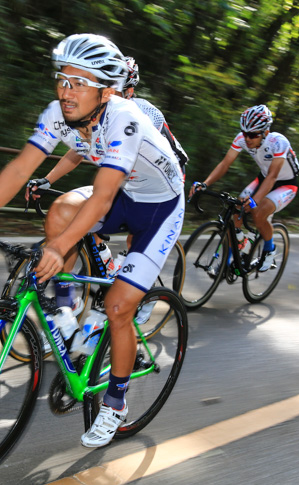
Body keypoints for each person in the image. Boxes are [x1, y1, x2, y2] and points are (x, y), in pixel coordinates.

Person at [0, 33, 185, 448]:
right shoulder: (59, 112)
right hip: (124, 195)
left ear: (105, 89)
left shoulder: (124, 117)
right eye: (62, 79)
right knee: (59, 212)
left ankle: (115, 402)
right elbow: (22, 167)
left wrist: (58, 249)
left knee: (117, 307)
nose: (65, 90)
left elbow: (105, 194)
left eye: (78, 82)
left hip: (159, 208)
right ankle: (67, 305)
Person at [26, 55, 188, 309]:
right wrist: (47, 179)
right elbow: (78, 150)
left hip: (159, 184)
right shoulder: (96, 112)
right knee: (75, 215)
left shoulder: (142, 112)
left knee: (134, 236)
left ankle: (141, 297)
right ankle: (67, 303)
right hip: (123, 181)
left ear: (130, 91)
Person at [188, 104, 299, 271]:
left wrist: (255, 201)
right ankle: (235, 253)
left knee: (258, 212)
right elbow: (225, 164)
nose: (247, 139)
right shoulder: (242, 138)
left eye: (253, 135)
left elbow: (273, 176)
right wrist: (205, 183)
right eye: (245, 133)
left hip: (285, 184)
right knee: (236, 209)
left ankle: (269, 250)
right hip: (263, 178)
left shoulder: (278, 142)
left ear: (265, 133)